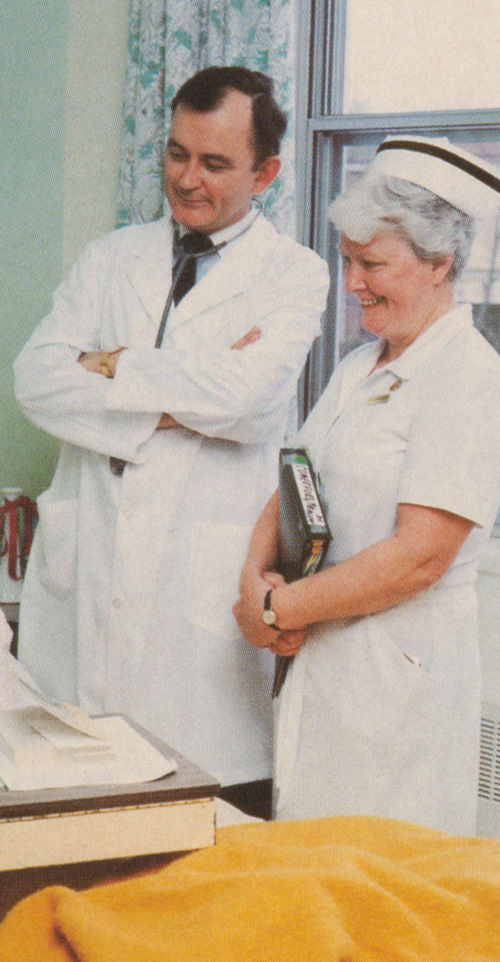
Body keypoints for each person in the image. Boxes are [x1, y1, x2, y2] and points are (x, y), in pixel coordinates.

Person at [13, 66, 330, 814]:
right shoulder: (109, 258)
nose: (187, 179)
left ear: (267, 172)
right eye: (177, 153)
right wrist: (188, 389)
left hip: (202, 611)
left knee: (203, 827)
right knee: (67, 826)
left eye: (215, 163)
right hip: (83, 577)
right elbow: (36, 381)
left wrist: (111, 365)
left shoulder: (294, 274)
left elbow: (249, 402)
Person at [233, 136, 500, 833]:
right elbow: (295, 480)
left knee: (384, 893)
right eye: (347, 260)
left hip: (399, 684)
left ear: (440, 263)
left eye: (372, 264)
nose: (352, 283)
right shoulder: (360, 365)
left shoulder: (468, 374)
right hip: (322, 659)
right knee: (311, 878)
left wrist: (280, 610)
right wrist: (254, 578)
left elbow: (421, 556)